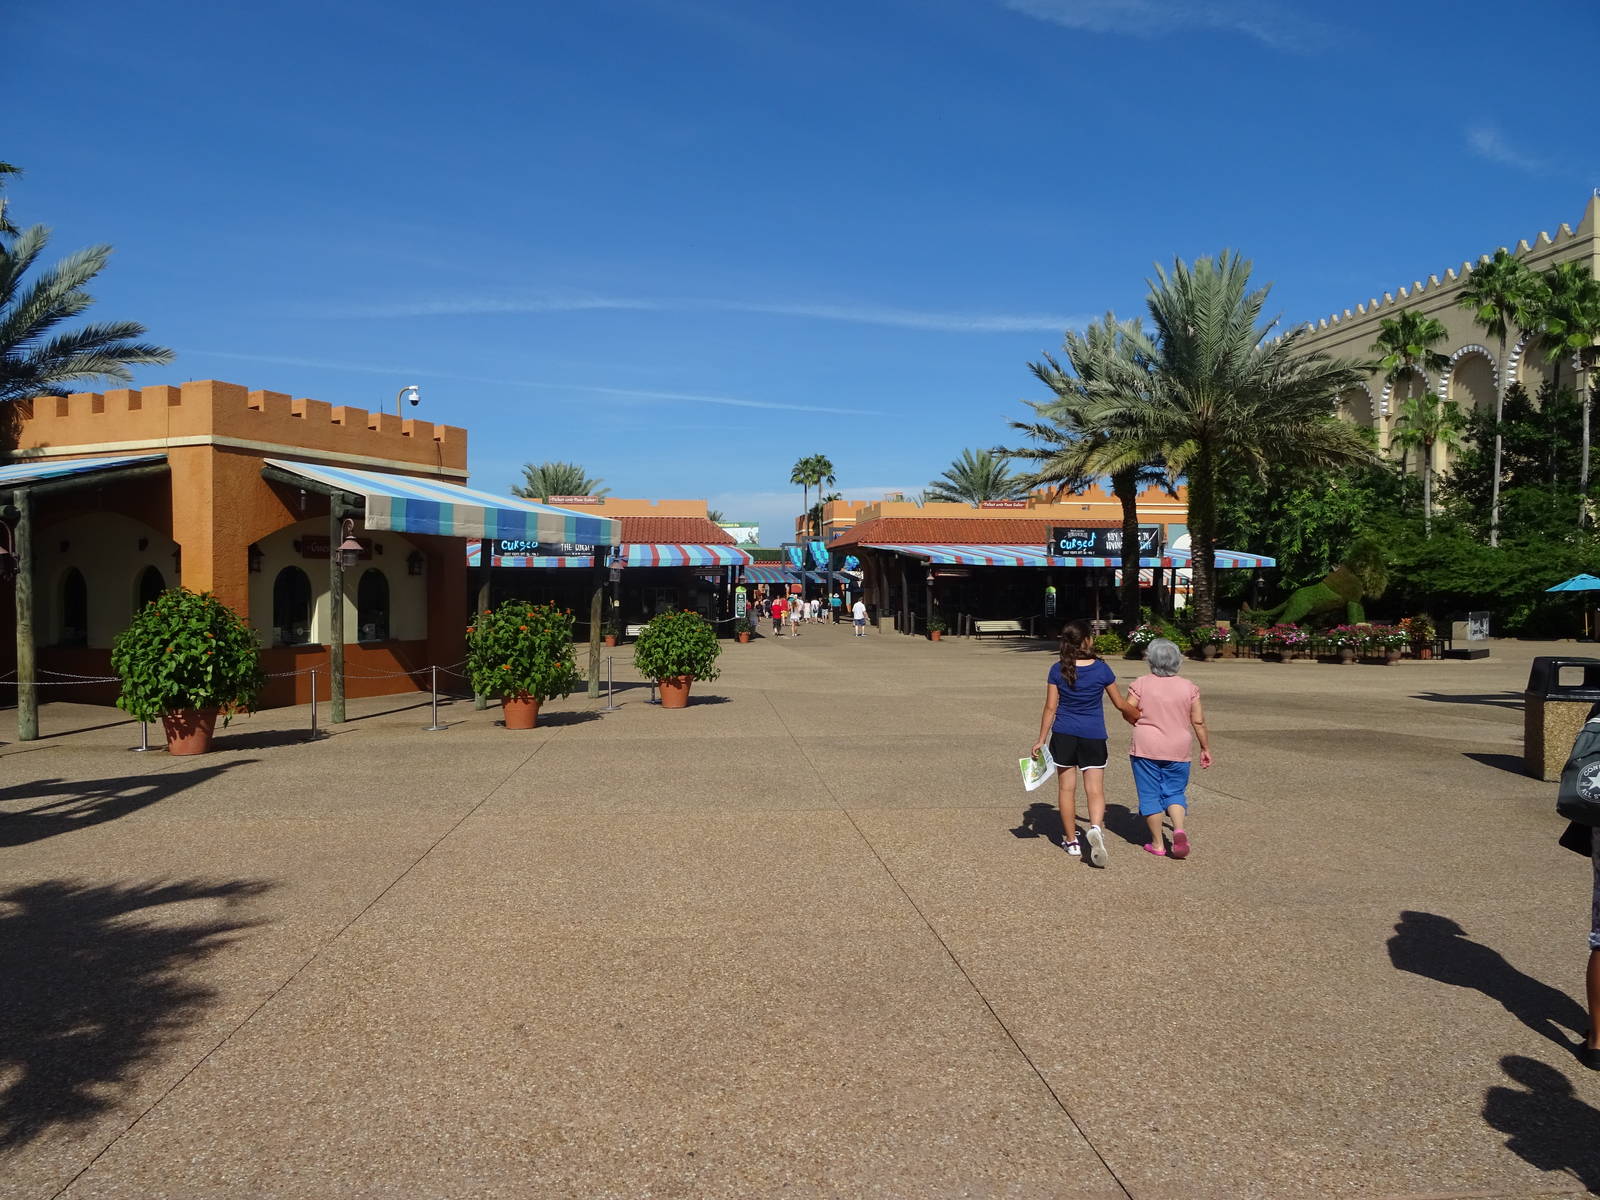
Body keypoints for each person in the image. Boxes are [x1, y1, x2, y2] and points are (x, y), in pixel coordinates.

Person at [1031, 618, 1139, 867]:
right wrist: (1138, 716)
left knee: (1066, 790)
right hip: (1093, 735)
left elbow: (1050, 708)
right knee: (1095, 789)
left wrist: (1040, 739)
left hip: (1064, 734)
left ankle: (1071, 841)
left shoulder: (1058, 669)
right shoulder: (1101, 669)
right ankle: (1095, 828)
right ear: (1088, 640)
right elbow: (1120, 704)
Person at [1126, 638, 1212, 859]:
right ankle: (1179, 829)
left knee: (1149, 794)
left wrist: (1137, 721)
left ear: (1150, 660)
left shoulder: (1141, 684)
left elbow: (1128, 709)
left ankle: (1158, 843)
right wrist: (1205, 747)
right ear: (1178, 661)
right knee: (1175, 792)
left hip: (1146, 746)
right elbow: (1198, 721)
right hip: (1178, 747)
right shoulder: (1189, 687)